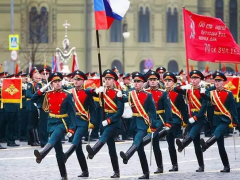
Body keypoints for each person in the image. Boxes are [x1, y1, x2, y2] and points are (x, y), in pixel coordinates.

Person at [32, 72, 76, 180]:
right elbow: (33, 98)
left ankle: (42, 154)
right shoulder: (48, 94)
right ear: (51, 84)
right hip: (51, 122)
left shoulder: (67, 94)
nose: (57, 83)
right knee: (58, 152)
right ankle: (64, 175)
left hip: (62, 122)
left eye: (59, 81)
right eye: (55, 82)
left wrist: (72, 128)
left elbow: (72, 113)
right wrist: (42, 89)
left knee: (54, 137)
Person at [86, 69, 124, 178]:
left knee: (105, 135)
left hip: (114, 122)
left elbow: (120, 112)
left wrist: (109, 120)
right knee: (111, 149)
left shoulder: (118, 93)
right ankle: (116, 172)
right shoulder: (102, 91)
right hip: (104, 121)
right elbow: (86, 91)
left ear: (114, 81)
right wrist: (96, 90)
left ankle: (93, 150)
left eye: (109, 79)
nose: (107, 81)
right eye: (106, 79)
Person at [120, 72, 157, 179]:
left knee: (137, 140)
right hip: (134, 123)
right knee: (140, 150)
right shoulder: (131, 94)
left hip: (143, 124)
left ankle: (127, 155)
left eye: (138, 82)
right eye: (135, 81)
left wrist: (153, 126)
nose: (136, 84)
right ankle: (146, 173)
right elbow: (124, 100)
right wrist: (119, 96)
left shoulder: (148, 95)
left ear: (143, 83)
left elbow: (153, 112)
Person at [200, 71, 238, 172]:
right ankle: (226, 166)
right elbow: (205, 97)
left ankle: (206, 145)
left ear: (223, 82)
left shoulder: (228, 94)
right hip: (216, 120)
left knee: (218, 132)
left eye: (219, 81)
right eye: (215, 81)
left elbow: (233, 109)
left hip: (225, 119)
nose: (217, 83)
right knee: (220, 145)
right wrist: (202, 89)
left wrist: (235, 121)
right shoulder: (212, 93)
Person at [64, 70, 97, 177]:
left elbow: (92, 109)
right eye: (75, 79)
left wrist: (92, 122)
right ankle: (85, 171)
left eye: (79, 80)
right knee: (78, 149)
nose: (76, 81)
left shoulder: (87, 93)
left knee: (76, 139)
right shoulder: (69, 92)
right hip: (73, 121)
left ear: (83, 81)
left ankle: (65, 156)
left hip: (83, 121)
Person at [175, 70, 207, 172]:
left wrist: (196, 117)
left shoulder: (203, 90)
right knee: (196, 144)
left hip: (200, 118)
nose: (193, 80)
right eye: (192, 78)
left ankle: (183, 144)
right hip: (191, 117)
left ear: (200, 79)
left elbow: (204, 107)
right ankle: (201, 166)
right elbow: (176, 89)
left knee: (192, 133)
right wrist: (182, 84)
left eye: (196, 78)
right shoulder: (189, 90)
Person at [141, 70, 172, 174]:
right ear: (148, 81)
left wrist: (168, 122)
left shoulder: (163, 93)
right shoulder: (145, 92)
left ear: (158, 81)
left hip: (159, 119)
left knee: (154, 140)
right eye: (151, 80)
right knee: (153, 143)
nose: (153, 82)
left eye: (154, 80)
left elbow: (168, 109)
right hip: (148, 118)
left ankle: (160, 166)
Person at [163, 72, 188, 171]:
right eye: (166, 81)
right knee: (170, 144)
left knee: (171, 133)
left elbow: (183, 109)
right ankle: (175, 165)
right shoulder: (162, 93)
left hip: (176, 120)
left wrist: (185, 121)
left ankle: (181, 141)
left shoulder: (177, 95)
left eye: (169, 81)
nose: (167, 83)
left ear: (173, 82)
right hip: (166, 120)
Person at [35, 68, 51, 147]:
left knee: (49, 124)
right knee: (43, 124)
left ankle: (48, 140)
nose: (45, 75)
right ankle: (43, 141)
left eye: (46, 74)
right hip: (43, 106)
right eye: (43, 74)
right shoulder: (39, 84)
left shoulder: (51, 83)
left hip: (51, 106)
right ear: (41, 75)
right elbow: (38, 93)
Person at [26, 68, 40, 146]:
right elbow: (28, 94)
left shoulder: (38, 84)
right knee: (31, 124)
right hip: (31, 105)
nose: (38, 78)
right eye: (36, 76)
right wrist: (36, 96)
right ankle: (32, 140)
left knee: (35, 123)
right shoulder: (30, 84)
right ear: (33, 77)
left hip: (35, 105)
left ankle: (36, 140)